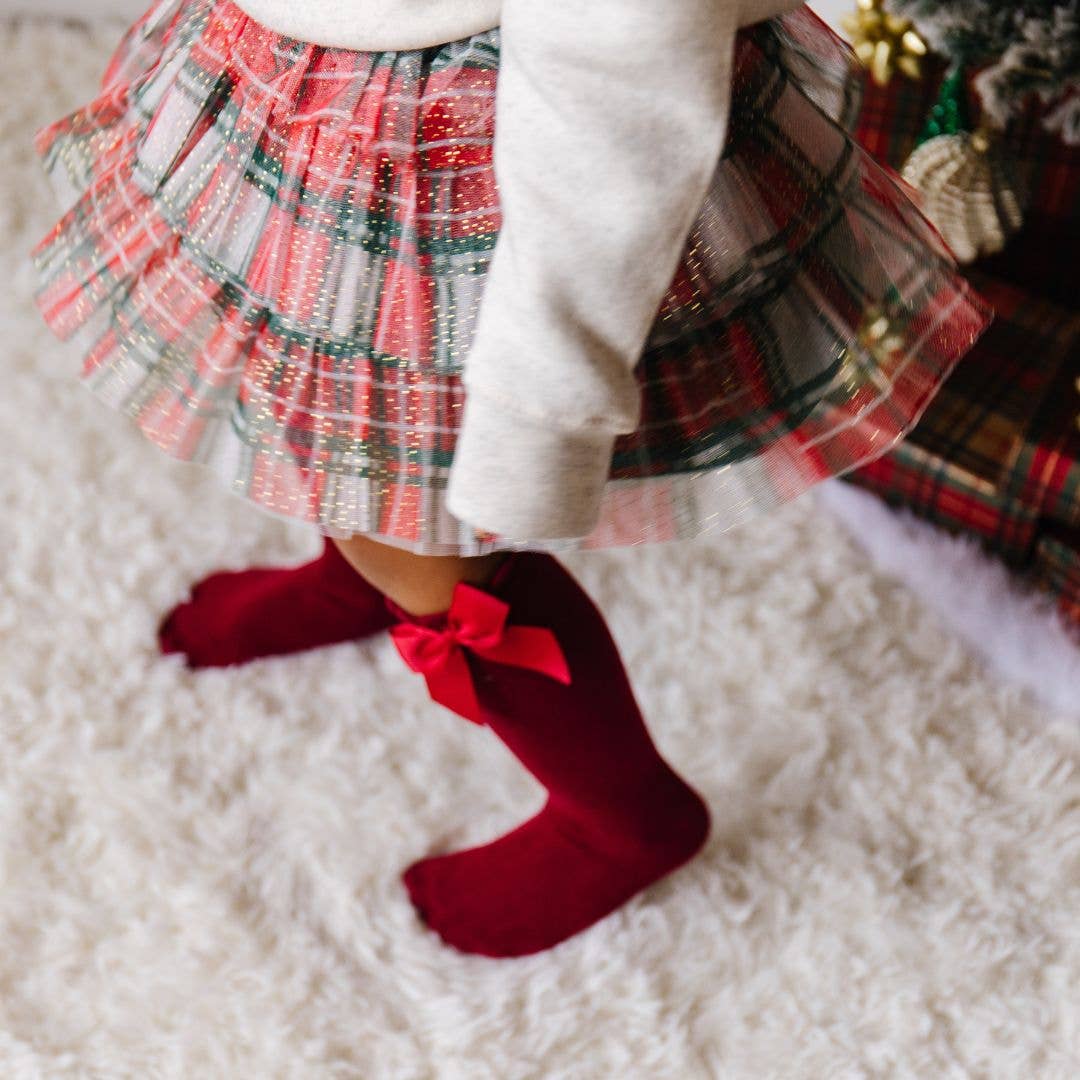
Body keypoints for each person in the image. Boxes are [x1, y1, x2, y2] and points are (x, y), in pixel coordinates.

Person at [30, 0, 993, 958]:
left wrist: (538, 425)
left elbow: (616, 104)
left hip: (489, 145)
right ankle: (362, 568)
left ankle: (620, 814)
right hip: (320, 73)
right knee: (332, 389)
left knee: (433, 512)